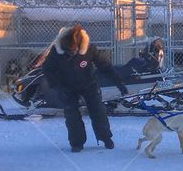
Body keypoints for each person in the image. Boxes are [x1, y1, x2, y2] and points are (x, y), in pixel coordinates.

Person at [42, 24, 126, 152]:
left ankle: (106, 138)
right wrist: (57, 87)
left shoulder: (90, 49)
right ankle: (77, 143)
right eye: (68, 51)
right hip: (67, 87)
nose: (72, 53)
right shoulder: (56, 51)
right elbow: (48, 70)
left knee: (98, 111)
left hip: (89, 84)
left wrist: (119, 83)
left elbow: (105, 67)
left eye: (74, 50)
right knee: (71, 114)